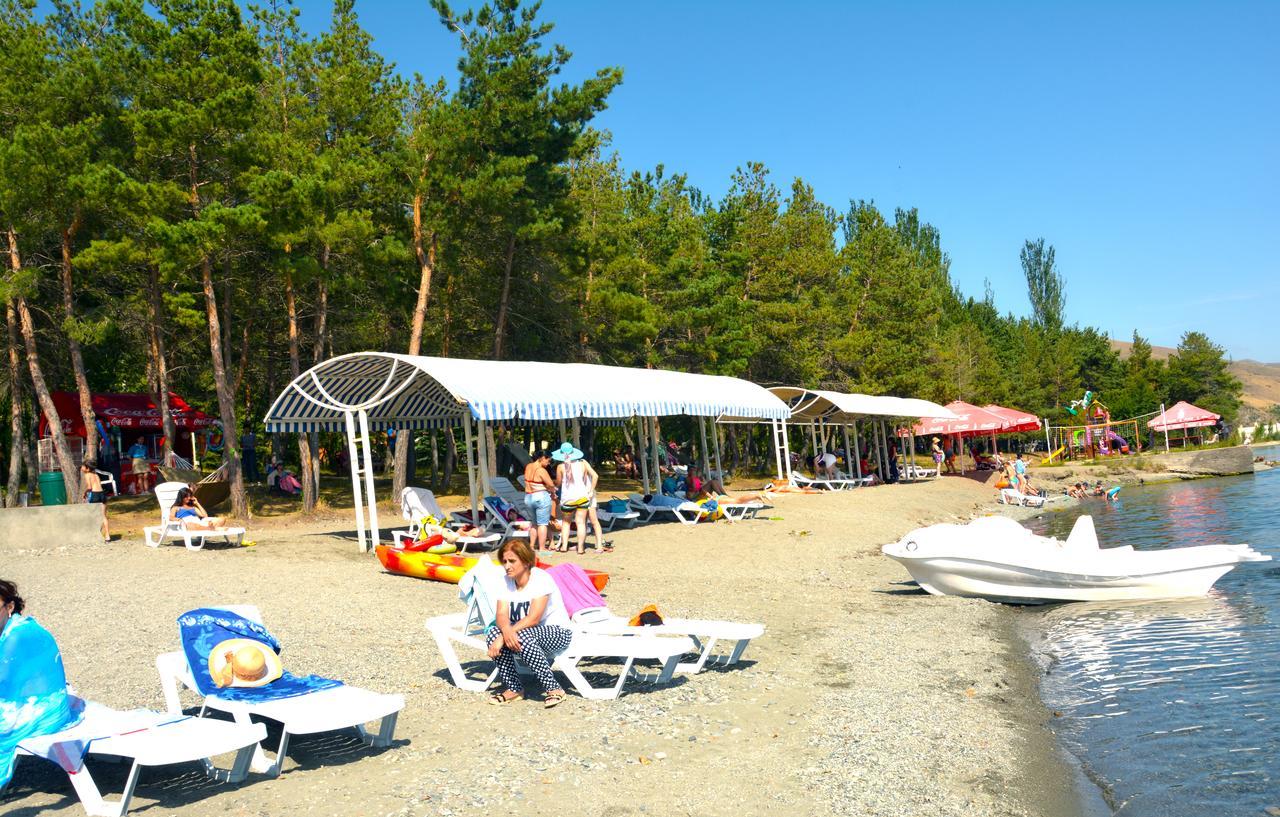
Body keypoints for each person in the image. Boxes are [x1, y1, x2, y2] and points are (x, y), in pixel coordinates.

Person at [1, 579, 82, 787]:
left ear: (9, 607)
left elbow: (4, 680)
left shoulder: (18, 635)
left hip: (41, 710)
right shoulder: (10, 629)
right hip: (28, 700)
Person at [486, 540, 571, 708]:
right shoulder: (505, 581)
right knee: (492, 633)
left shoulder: (540, 578)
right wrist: (504, 632)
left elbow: (534, 618)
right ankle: (514, 688)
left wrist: (505, 636)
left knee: (520, 635)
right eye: (504, 561)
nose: (507, 566)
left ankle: (554, 688)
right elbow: (501, 613)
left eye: (512, 561)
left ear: (525, 561)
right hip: (525, 634)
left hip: (558, 634)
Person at [553, 442, 603, 554]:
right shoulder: (582, 464)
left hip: (568, 499)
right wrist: (590, 491)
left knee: (566, 523)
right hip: (582, 496)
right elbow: (593, 476)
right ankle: (580, 548)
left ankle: (564, 546)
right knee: (581, 523)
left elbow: (558, 483)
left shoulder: (560, 466)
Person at [523, 449, 556, 552]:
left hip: (528, 497)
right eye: (548, 460)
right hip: (540, 496)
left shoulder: (528, 466)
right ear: (542, 458)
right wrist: (552, 491)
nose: (548, 463)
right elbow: (551, 484)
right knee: (542, 524)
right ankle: (542, 548)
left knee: (534, 523)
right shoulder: (541, 470)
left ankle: (532, 546)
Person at [80, 461, 110, 542]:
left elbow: (89, 487)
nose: (81, 468)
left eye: (83, 467)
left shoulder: (87, 475)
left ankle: (93, 534)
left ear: (87, 468)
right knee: (103, 516)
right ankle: (107, 536)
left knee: (91, 515)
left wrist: (84, 493)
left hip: (95, 495)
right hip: (102, 494)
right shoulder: (96, 475)